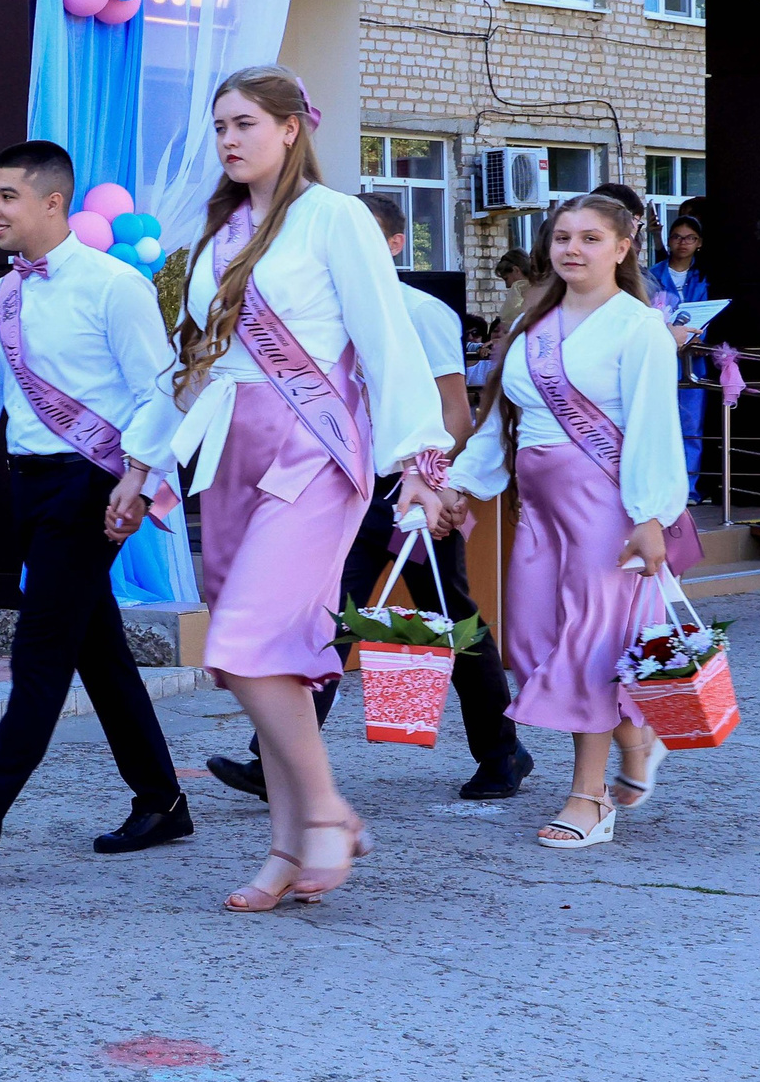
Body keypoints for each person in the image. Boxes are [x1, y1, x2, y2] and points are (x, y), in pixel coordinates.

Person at [167, 65, 452, 912]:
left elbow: (385, 338)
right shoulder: (219, 230)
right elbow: (194, 357)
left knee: (242, 641)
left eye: (245, 122)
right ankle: (288, 847)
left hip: (311, 449)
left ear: (292, 128)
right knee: (270, 658)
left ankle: (327, 808)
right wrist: (145, 461)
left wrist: (417, 463)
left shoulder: (334, 217)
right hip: (229, 450)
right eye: (219, 124)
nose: (228, 138)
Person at [0, 142, 190, 877]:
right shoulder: (2, 295)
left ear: (53, 202)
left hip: (90, 486)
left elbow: (158, 392)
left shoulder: (115, 286)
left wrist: (138, 473)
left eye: (6, 195)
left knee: (39, 652)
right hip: (29, 482)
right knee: (98, 647)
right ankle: (162, 798)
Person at [207, 192, 532, 804]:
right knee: (329, 614)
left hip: (407, 491)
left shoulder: (423, 312)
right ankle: (273, 756)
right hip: (343, 480)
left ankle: (502, 750)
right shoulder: (318, 308)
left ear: (393, 245)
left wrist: (435, 480)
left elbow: (453, 410)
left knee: (451, 618)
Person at [441, 194, 684, 849]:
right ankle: (635, 733)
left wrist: (651, 516)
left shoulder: (637, 327)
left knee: (586, 646)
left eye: (591, 238)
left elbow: (655, 429)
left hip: (609, 507)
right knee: (530, 641)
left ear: (624, 247)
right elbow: (500, 419)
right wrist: (460, 483)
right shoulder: (533, 323)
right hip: (540, 508)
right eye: (563, 237)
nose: (573, 248)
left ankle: (589, 797)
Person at [649, 213, 709, 505]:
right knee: (659, 421)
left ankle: (689, 490)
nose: (682, 243)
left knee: (691, 424)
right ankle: (661, 488)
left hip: (694, 357)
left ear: (699, 243)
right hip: (660, 355)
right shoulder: (653, 274)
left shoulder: (706, 274)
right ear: (668, 240)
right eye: (677, 237)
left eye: (690, 238)